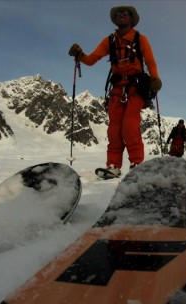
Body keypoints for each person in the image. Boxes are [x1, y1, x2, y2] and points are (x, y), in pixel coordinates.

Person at [68, 5, 161, 178]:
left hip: (136, 86)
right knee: (114, 129)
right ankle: (113, 166)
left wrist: (155, 79)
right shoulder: (109, 41)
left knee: (130, 125)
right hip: (118, 89)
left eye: (125, 14)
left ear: (131, 19)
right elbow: (91, 59)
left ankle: (137, 164)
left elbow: (150, 61)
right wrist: (80, 55)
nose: (121, 16)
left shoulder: (141, 39)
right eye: (118, 14)